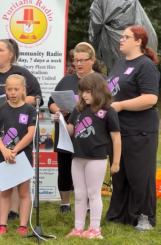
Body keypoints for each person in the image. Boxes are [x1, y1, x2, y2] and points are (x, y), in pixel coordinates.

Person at [0, 39, 43, 220]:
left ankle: (13, 211)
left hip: (17, 138)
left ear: (11, 55)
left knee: (16, 174)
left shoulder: (22, 73)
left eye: (0, 50)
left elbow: (37, 99)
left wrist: (13, 102)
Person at [105, 26, 159, 231]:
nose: (121, 40)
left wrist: (120, 105)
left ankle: (144, 217)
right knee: (120, 173)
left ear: (138, 41)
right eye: (121, 37)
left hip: (140, 129)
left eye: (125, 37)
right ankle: (120, 214)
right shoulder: (119, 64)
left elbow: (150, 98)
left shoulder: (145, 65)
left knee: (140, 176)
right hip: (119, 128)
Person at [55, 73, 121, 239]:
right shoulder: (78, 110)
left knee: (93, 193)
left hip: (96, 158)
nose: (84, 95)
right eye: (82, 91)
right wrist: (61, 121)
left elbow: (116, 139)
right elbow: (71, 130)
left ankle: (94, 229)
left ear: (98, 91)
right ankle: (78, 228)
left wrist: (115, 163)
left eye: (88, 91)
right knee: (79, 194)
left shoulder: (108, 112)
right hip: (77, 157)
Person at [48, 42, 103, 213]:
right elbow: (51, 102)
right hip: (66, 130)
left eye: (82, 60)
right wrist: (58, 111)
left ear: (92, 60)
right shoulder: (66, 80)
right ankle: (65, 203)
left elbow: (107, 104)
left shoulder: (100, 81)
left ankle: (87, 204)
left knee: (87, 168)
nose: (78, 64)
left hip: (89, 132)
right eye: (75, 61)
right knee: (64, 167)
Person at [0, 74, 36, 235]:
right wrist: (4, 150)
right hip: (3, 156)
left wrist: (15, 150)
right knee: (6, 192)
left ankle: (23, 226)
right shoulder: (0, 109)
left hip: (22, 156)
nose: (13, 92)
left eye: (16, 89)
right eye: (9, 89)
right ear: (5, 90)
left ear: (23, 90)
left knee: (23, 192)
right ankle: (2, 225)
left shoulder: (30, 110)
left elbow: (30, 134)